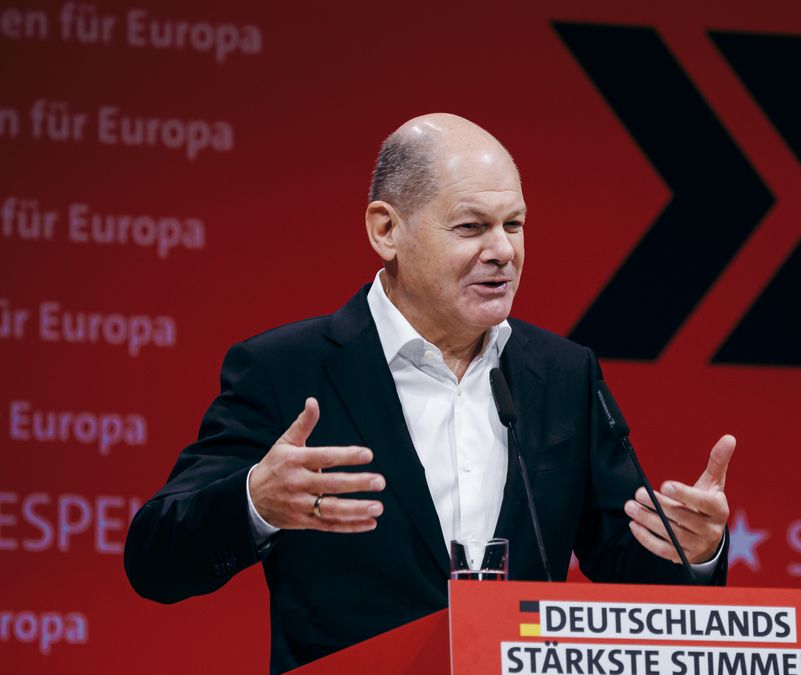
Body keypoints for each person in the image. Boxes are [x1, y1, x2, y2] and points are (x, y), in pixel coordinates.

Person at [124, 113, 735, 673]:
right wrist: (254, 501)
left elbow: (629, 572)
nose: (502, 251)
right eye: (471, 227)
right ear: (387, 230)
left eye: (514, 225)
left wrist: (693, 552)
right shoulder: (286, 370)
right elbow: (155, 557)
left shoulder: (562, 373)